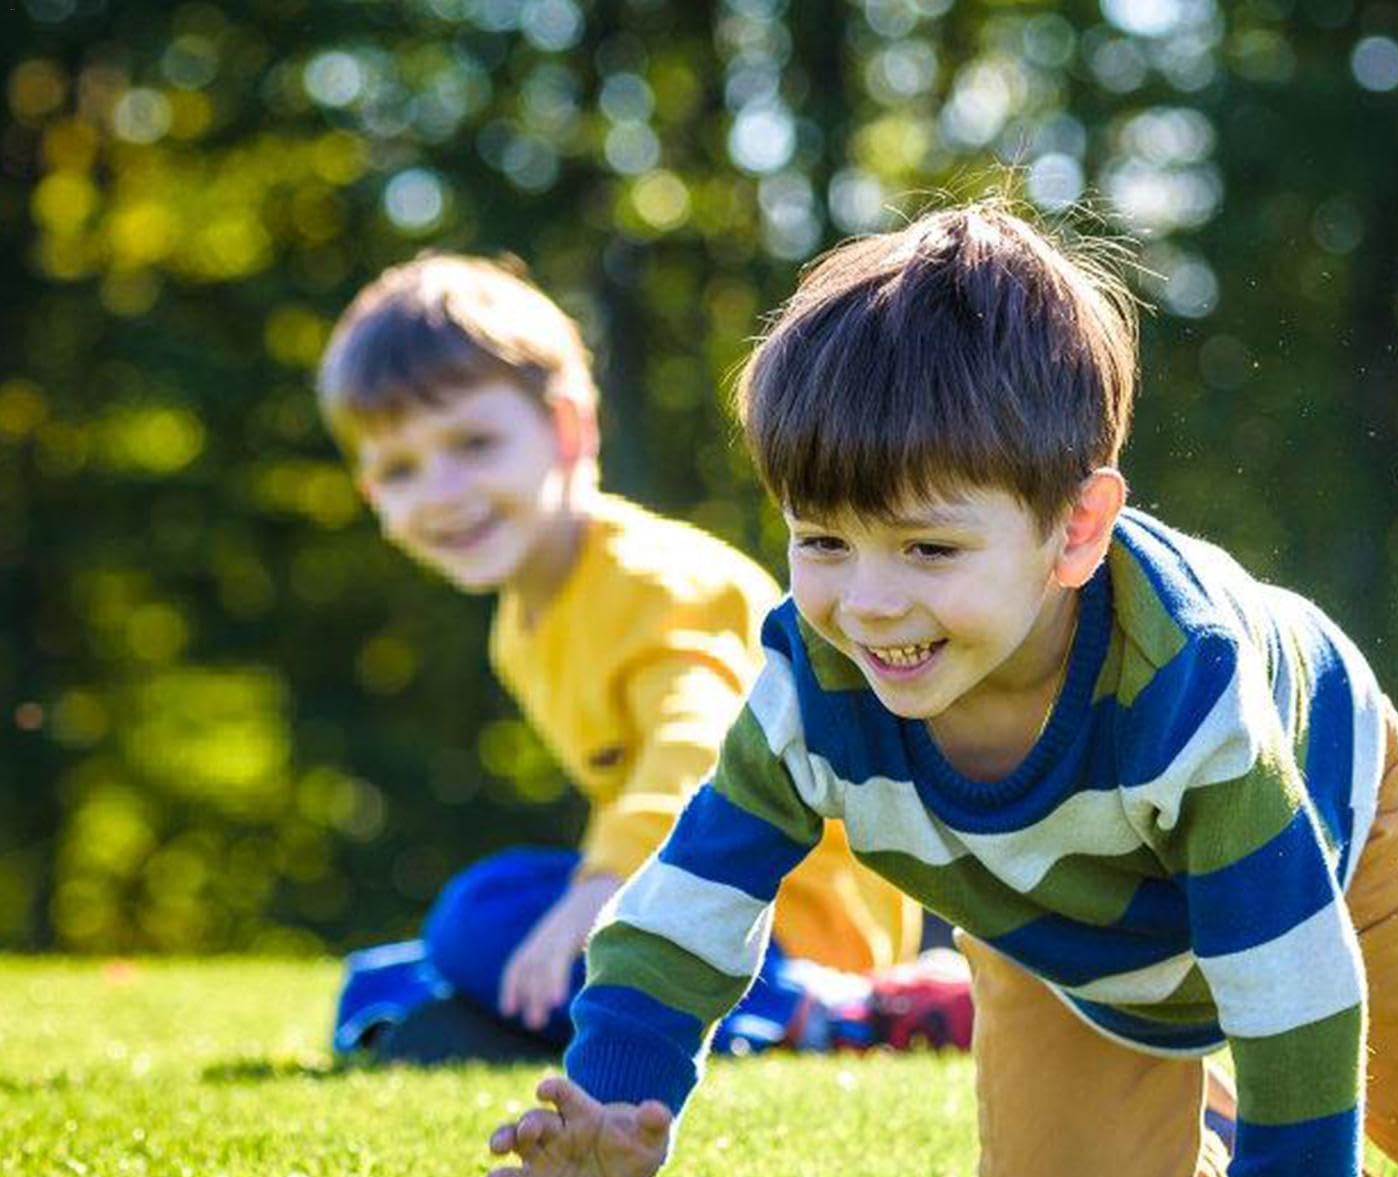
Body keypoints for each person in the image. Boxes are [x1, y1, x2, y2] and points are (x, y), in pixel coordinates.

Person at [482, 200, 1398, 1177]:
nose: (868, 603)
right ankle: (1207, 1119)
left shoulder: (1185, 689)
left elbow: (1290, 988)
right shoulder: (811, 677)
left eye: (927, 545)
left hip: (1328, 865)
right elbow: (696, 889)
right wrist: (616, 1094)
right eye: (821, 539)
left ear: (1074, 530)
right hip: (1052, 919)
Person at [316, 252, 959, 1062]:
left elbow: (700, 751)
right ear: (372, 496)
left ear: (566, 428)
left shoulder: (653, 579)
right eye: (401, 468)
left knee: (477, 916)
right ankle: (535, 1014)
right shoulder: (522, 622)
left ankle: (838, 1013)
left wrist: (592, 895)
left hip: (791, 914)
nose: (442, 490)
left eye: (473, 443)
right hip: (689, 896)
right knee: (385, 976)